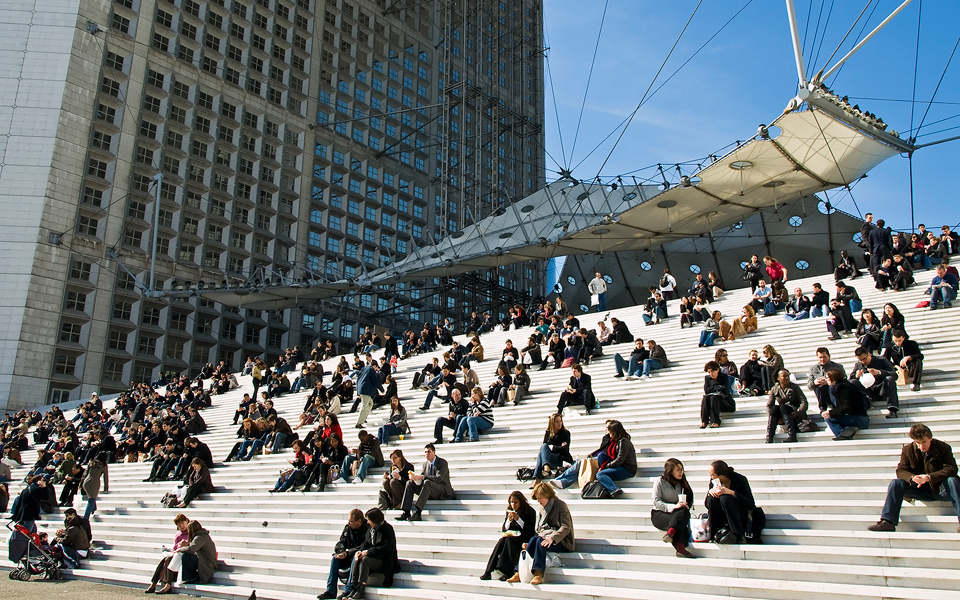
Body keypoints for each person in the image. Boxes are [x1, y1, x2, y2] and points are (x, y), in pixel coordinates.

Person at [867, 424, 960, 533]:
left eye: (924, 442)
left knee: (952, 480)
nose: (921, 446)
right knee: (896, 483)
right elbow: (901, 470)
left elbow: (951, 469)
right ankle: (888, 521)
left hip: (940, 488)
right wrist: (912, 478)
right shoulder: (908, 450)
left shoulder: (943, 447)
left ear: (930, 438)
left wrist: (929, 477)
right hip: (920, 489)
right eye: (918, 443)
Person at [507, 482, 574, 585]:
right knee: (534, 540)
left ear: (546, 495)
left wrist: (552, 538)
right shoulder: (542, 508)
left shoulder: (560, 506)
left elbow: (566, 527)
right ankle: (518, 572)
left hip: (561, 540)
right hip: (545, 536)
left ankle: (538, 573)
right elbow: (539, 529)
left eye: (540, 498)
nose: (538, 501)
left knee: (539, 542)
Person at [549, 420, 636, 497]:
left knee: (599, 474)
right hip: (617, 465)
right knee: (596, 459)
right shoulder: (612, 441)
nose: (607, 433)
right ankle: (561, 480)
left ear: (615, 431)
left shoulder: (623, 442)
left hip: (626, 469)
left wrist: (605, 467)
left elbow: (620, 460)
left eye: (609, 431)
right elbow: (604, 452)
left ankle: (614, 489)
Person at [338, 508, 399, 599]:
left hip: (383, 560)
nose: (367, 522)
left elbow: (386, 548)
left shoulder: (387, 529)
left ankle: (361, 589)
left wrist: (368, 552)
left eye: (369, 520)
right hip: (373, 558)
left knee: (365, 559)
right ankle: (353, 586)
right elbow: (366, 543)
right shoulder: (371, 529)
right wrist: (359, 551)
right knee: (358, 558)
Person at [480, 491, 538, 580]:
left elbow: (530, 531)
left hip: (524, 537)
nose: (513, 505)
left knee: (508, 541)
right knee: (501, 541)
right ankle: (488, 571)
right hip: (512, 537)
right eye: (511, 502)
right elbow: (504, 529)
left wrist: (519, 520)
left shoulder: (529, 511)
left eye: (516, 502)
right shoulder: (510, 511)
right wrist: (509, 520)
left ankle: (508, 572)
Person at [317, 508, 370, 599]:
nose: (349, 523)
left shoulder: (367, 529)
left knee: (356, 556)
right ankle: (331, 590)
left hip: (358, 556)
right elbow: (341, 542)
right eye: (348, 521)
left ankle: (348, 589)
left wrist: (348, 553)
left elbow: (364, 545)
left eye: (351, 521)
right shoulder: (348, 528)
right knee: (335, 558)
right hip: (347, 555)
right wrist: (341, 551)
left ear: (359, 521)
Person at [397, 443, 455, 522]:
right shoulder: (425, 464)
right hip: (429, 490)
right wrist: (415, 478)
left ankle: (418, 513)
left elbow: (439, 478)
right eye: (425, 452)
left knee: (427, 482)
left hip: (442, 489)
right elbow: (422, 477)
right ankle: (406, 512)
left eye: (429, 452)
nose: (426, 454)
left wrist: (421, 477)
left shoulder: (442, 463)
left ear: (434, 452)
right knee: (410, 483)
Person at [651, 458, 696, 558]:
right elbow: (656, 501)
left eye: (682, 469)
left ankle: (670, 533)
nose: (681, 472)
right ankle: (680, 548)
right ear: (670, 471)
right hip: (660, 513)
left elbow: (689, 497)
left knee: (682, 515)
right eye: (678, 470)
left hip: (677, 514)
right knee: (679, 524)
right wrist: (674, 507)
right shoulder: (659, 481)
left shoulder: (682, 482)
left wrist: (685, 504)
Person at [705, 460, 756, 544]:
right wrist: (710, 493)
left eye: (712, 475)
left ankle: (738, 534)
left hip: (738, 514)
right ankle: (714, 533)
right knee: (712, 498)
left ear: (720, 476)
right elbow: (707, 505)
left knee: (725, 498)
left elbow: (750, 504)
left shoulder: (740, 480)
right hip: (722, 516)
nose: (711, 477)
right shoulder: (713, 482)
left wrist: (732, 493)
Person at [161, 520, 218, 591]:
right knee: (175, 557)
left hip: (207, 563)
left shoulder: (200, 537)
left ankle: (189, 577)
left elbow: (191, 549)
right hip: (204, 560)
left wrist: (180, 549)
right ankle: (169, 582)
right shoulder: (201, 535)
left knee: (185, 556)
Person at [850, 345, 900, 418]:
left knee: (889, 378)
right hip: (868, 392)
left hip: (882, 389)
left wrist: (879, 372)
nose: (863, 362)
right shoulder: (858, 365)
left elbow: (894, 375)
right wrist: (856, 376)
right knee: (853, 382)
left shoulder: (882, 360)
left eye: (864, 359)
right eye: (860, 360)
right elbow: (850, 380)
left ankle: (893, 410)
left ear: (869, 354)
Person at [145, 513, 190, 593]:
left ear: (186, 521)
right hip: (177, 553)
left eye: (182, 523)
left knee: (169, 559)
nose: (181, 526)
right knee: (164, 560)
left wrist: (185, 544)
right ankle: (153, 583)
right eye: (179, 525)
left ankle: (168, 585)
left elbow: (193, 545)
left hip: (185, 555)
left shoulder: (191, 532)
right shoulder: (178, 535)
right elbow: (175, 547)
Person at [822, 368, 870, 440]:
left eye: (827, 378)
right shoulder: (845, 385)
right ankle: (848, 430)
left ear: (833, 378)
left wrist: (831, 413)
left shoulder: (843, 388)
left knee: (829, 418)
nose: (826, 379)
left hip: (859, 419)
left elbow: (847, 407)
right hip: (859, 418)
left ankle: (843, 434)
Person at [765, 368, 807, 443]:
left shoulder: (794, 387)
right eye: (783, 376)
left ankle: (792, 435)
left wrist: (798, 413)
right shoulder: (775, 388)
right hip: (783, 413)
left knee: (783, 407)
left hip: (793, 411)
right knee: (774, 408)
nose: (786, 378)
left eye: (788, 376)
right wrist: (771, 415)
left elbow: (804, 402)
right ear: (778, 378)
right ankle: (769, 436)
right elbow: (769, 405)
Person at [532, 414, 573, 484]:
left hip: (562, 459)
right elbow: (544, 448)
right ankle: (546, 466)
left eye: (560, 421)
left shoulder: (565, 433)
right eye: (557, 422)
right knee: (543, 449)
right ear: (552, 423)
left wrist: (552, 447)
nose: (559, 423)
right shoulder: (548, 433)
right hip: (550, 458)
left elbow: (565, 449)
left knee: (542, 454)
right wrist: (559, 447)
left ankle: (538, 477)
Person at [808, 347, 846, 412]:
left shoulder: (837, 366)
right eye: (820, 357)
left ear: (829, 356)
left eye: (824, 357)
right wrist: (815, 382)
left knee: (832, 387)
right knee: (820, 387)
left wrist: (829, 381)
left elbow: (844, 380)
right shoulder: (813, 368)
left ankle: (836, 407)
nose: (822, 359)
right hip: (822, 393)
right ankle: (822, 408)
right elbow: (809, 386)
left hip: (835, 392)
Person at [700, 361, 735, 429]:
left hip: (726, 403)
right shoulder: (708, 378)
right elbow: (706, 390)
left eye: (712, 371)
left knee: (714, 397)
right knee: (706, 398)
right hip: (713, 403)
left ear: (717, 370)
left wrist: (713, 388)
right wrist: (718, 387)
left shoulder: (723, 377)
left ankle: (715, 421)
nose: (711, 374)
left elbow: (726, 390)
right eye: (709, 372)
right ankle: (704, 421)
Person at [355, 361, 383, 428]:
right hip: (366, 390)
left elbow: (358, 379)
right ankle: (359, 422)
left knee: (370, 403)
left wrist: (358, 391)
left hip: (362, 389)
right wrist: (381, 389)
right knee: (364, 405)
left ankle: (364, 418)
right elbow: (375, 380)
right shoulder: (371, 369)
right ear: (375, 366)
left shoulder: (363, 369)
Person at [81, 456, 108, 521]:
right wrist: (106, 487)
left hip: (87, 481)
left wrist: (81, 483)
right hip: (95, 481)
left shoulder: (91, 462)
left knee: (92, 497)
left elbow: (85, 473)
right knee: (91, 499)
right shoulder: (104, 465)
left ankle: (93, 509)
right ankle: (86, 517)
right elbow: (106, 477)